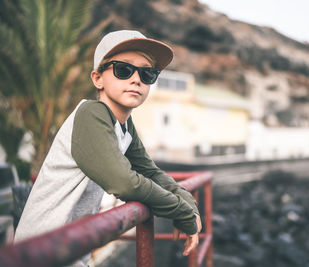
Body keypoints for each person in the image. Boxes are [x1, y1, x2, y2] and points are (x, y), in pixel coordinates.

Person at [14, 30, 202, 266]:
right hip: (41, 255)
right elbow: (123, 182)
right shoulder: (91, 114)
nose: (136, 79)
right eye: (123, 70)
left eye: (147, 73)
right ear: (97, 79)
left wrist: (188, 202)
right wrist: (182, 212)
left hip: (70, 251)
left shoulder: (123, 125)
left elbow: (150, 172)